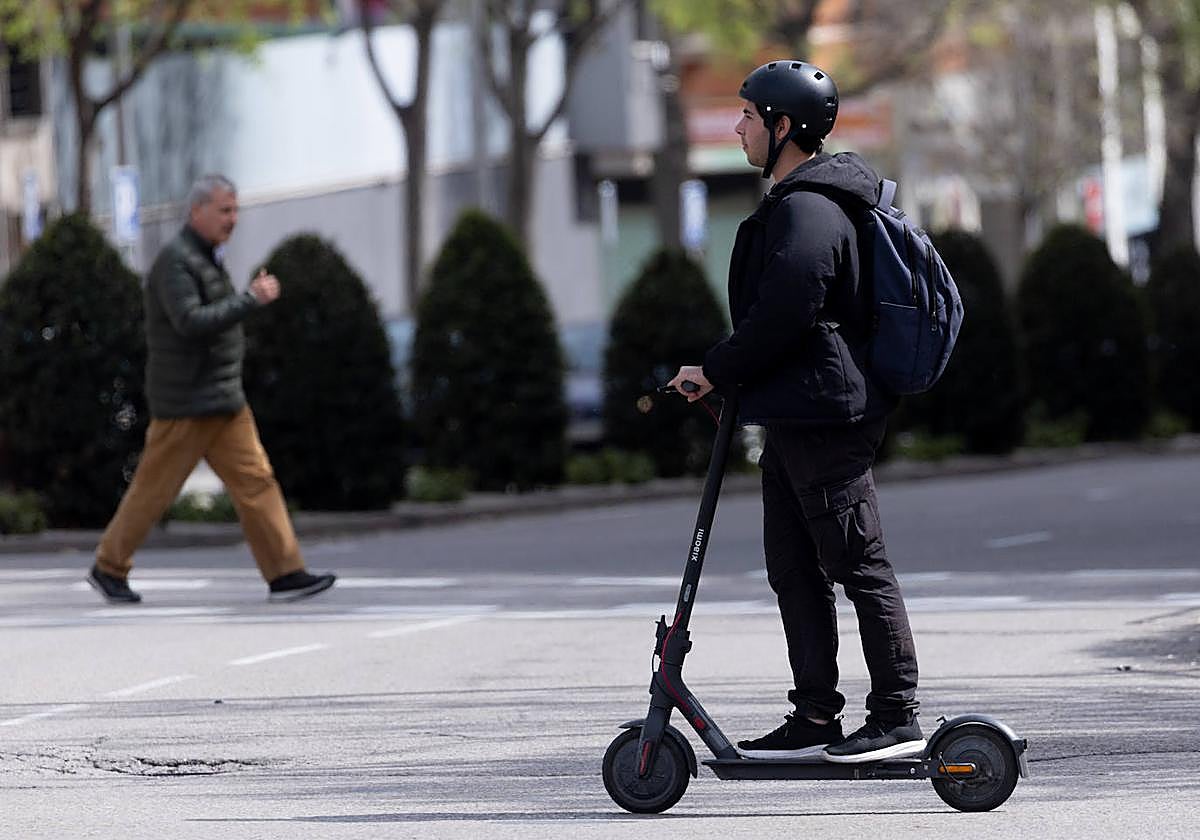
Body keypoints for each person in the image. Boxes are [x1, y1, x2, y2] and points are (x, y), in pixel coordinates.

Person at [668, 60, 923, 763]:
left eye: (749, 116)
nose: (738, 127)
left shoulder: (810, 210)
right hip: (793, 413)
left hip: (826, 416)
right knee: (794, 568)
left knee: (857, 563)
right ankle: (814, 714)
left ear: (784, 126)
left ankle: (897, 715)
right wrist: (729, 378)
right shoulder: (797, 202)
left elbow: (787, 310)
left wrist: (716, 368)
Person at [87, 174, 336, 605]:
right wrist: (250, 299)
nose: (232, 219)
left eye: (235, 210)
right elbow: (191, 322)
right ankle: (109, 566)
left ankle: (285, 573)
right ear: (197, 211)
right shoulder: (176, 262)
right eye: (224, 210)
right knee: (155, 490)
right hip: (187, 403)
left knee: (257, 482)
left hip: (222, 399)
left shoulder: (203, 259)